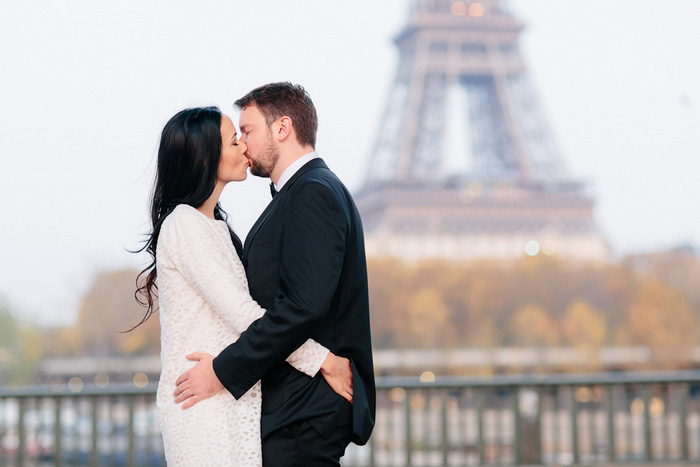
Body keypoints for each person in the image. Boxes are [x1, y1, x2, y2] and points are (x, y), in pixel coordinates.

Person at [134, 106, 353, 466]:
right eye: (234, 141)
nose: (244, 148)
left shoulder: (215, 227)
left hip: (225, 397)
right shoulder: (185, 225)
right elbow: (242, 314)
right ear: (206, 158)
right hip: (203, 405)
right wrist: (323, 359)